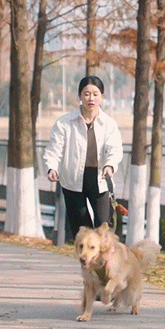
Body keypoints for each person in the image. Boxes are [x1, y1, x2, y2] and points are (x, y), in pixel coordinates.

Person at [43, 75, 123, 241]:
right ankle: (88, 264)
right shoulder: (65, 123)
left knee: (104, 228)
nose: (91, 98)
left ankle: (105, 264)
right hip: (73, 180)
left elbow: (114, 149)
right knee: (82, 231)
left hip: (100, 178)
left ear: (102, 96)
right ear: (79, 96)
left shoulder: (109, 124)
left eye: (95, 94)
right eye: (86, 94)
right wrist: (52, 167)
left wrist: (110, 165)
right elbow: (54, 148)